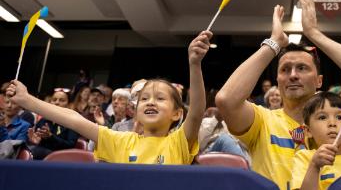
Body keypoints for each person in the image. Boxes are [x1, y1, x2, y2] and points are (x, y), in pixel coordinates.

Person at [215, 0, 341, 190]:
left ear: (319, 81)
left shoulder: (339, 114)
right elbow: (226, 100)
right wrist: (273, 44)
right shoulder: (262, 121)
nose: (293, 75)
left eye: (302, 68)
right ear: (278, 81)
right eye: (285, 69)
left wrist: (314, 34)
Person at [6, 31, 212, 164]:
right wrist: (27, 101)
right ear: (137, 110)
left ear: (177, 113)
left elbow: (196, 111)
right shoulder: (120, 141)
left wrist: (194, 64)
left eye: (160, 98)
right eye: (145, 98)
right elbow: (74, 119)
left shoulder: (179, 142)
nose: (150, 101)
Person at [291, 92, 341, 190]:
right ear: (308, 131)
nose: (332, 123)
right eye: (322, 117)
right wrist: (314, 166)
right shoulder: (305, 157)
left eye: (340, 117)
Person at [29, 89, 80, 160]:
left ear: (69, 105)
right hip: (41, 155)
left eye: (61, 100)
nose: (57, 102)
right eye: (54, 99)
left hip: (62, 158)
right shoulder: (44, 120)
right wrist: (36, 141)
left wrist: (51, 137)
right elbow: (37, 140)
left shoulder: (73, 122)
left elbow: (70, 145)